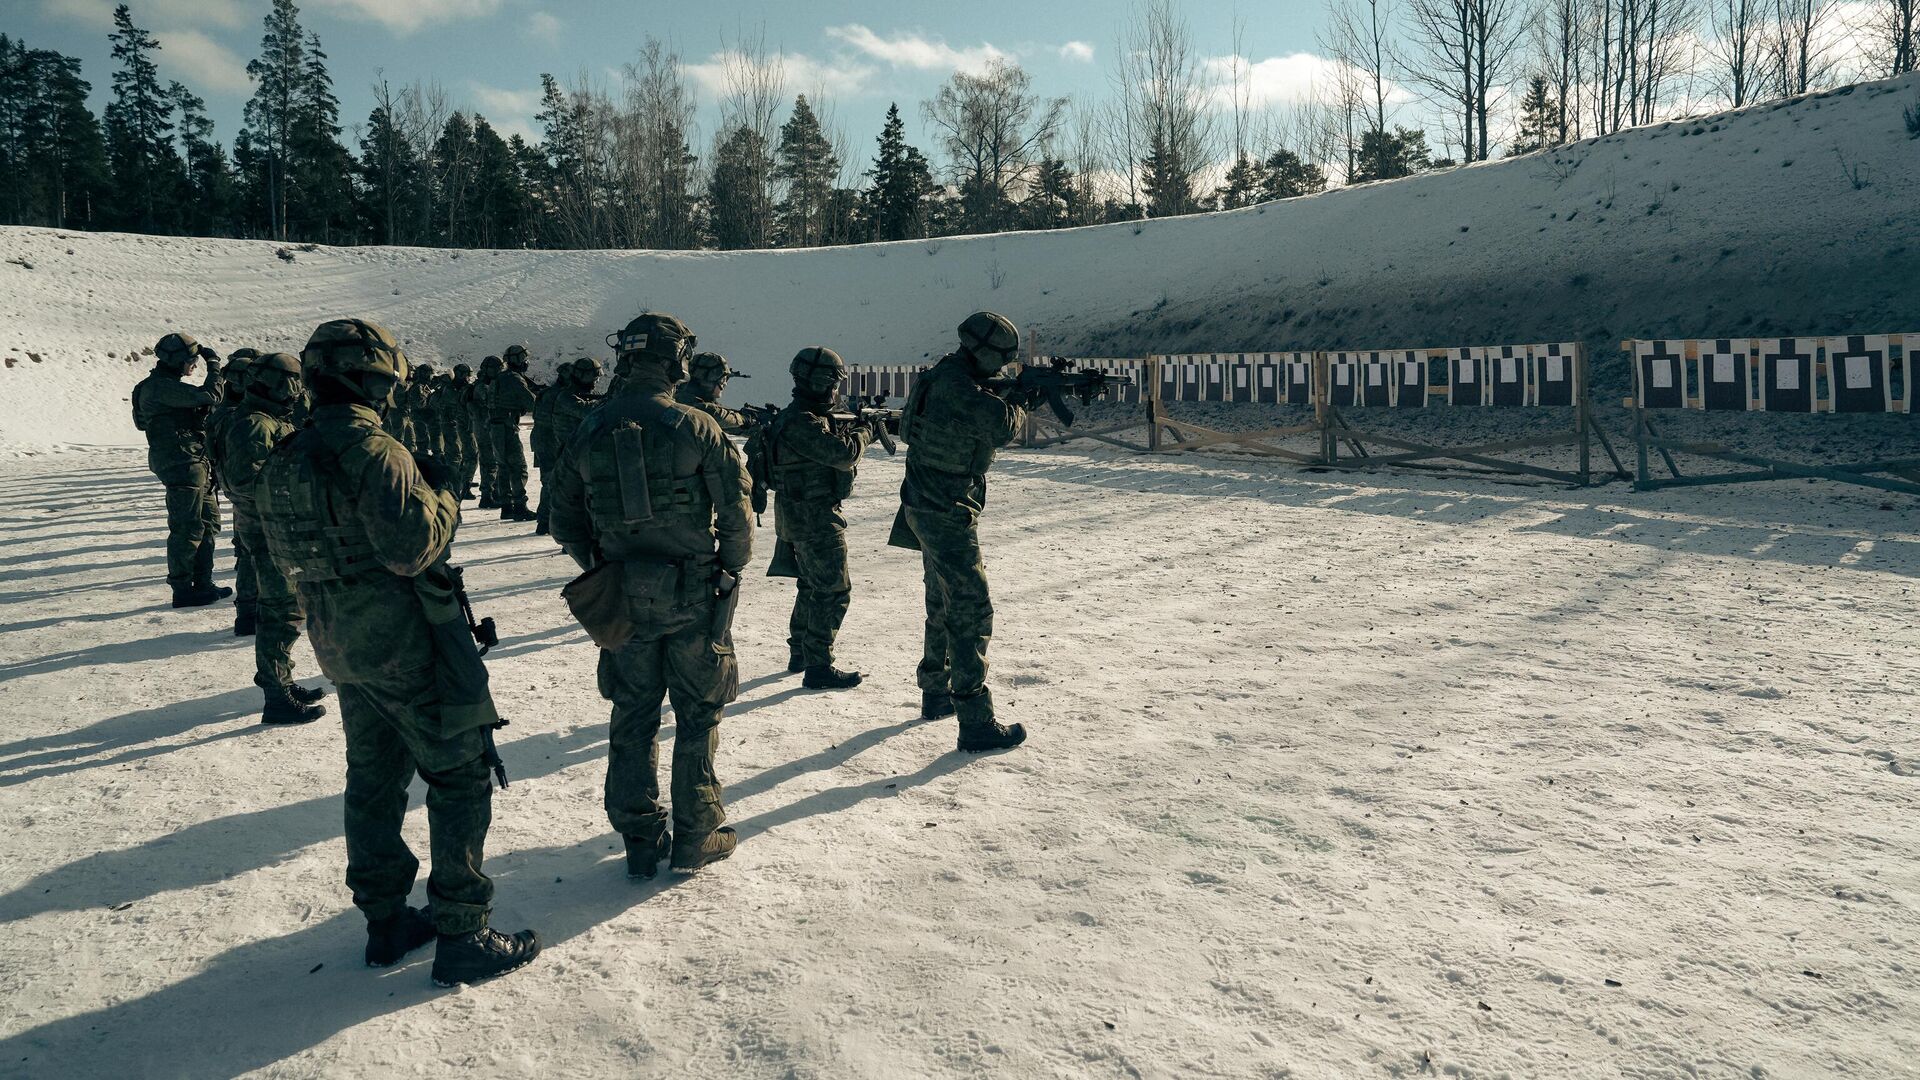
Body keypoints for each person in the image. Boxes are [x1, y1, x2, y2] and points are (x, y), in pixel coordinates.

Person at [256, 317, 540, 986]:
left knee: (374, 780)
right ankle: (463, 931)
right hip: (401, 642)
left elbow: (282, 551)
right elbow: (413, 548)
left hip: (337, 639)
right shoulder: (371, 449)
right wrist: (442, 495)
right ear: (372, 377)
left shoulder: (289, 451)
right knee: (460, 775)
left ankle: (385, 922)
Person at [548, 312, 751, 878]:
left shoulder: (588, 429)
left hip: (624, 599)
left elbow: (563, 520)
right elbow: (737, 518)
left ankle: (639, 838)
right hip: (693, 594)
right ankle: (695, 833)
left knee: (633, 714)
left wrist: (605, 569)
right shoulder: (695, 426)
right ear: (676, 360)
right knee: (698, 712)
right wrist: (729, 572)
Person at [888, 311, 1030, 752]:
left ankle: (936, 692)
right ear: (984, 352)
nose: (1002, 368)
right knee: (970, 609)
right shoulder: (957, 386)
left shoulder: (943, 375)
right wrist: (1023, 401)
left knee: (941, 600)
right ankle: (975, 720)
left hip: (925, 502)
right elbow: (1003, 427)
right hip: (944, 509)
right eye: (1001, 360)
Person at [216, 352, 328, 725]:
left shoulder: (265, 421)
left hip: (273, 527)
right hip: (270, 531)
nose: (296, 390)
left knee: (284, 611)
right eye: (292, 382)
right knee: (280, 613)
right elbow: (244, 482)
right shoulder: (254, 425)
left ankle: (281, 680)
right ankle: (277, 696)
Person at [763, 347, 869, 689]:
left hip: (801, 514)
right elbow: (841, 456)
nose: (836, 390)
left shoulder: (799, 416)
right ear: (823, 382)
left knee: (811, 586)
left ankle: (802, 653)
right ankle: (819, 665)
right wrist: (864, 433)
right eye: (834, 383)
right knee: (833, 590)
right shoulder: (800, 421)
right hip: (814, 518)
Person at [131, 332, 233, 608]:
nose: (194, 365)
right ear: (177, 361)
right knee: (187, 527)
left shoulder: (160, 387)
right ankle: (182, 588)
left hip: (194, 461)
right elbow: (211, 394)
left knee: (208, 523)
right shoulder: (158, 387)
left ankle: (202, 583)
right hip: (182, 463)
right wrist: (214, 364)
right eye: (192, 360)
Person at [208, 348, 260, 633]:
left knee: (246, 549)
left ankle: (247, 611)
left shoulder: (222, 412)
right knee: (255, 553)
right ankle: (252, 612)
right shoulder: (241, 416)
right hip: (250, 491)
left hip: (233, 488)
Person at [531, 358, 602, 537]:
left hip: (565, 450)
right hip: (562, 450)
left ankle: (546, 522)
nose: (594, 383)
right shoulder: (565, 397)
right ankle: (553, 525)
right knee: (563, 491)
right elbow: (587, 410)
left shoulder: (567, 394)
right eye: (592, 378)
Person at [489, 345, 537, 522]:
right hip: (508, 427)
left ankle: (506, 506)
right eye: (524, 359)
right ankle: (520, 507)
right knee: (518, 467)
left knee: (503, 467)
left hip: (495, 427)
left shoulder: (500, 378)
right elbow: (532, 403)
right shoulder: (515, 379)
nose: (526, 362)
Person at [675, 352, 758, 435]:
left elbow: (722, 425)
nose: (725, 384)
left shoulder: (679, 395)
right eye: (722, 380)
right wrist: (743, 419)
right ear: (708, 383)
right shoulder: (693, 405)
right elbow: (715, 414)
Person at [469, 356, 501, 508]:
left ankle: (492, 492)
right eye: (496, 368)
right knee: (490, 461)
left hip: (484, 426)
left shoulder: (483, 385)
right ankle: (487, 495)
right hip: (484, 427)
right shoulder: (483, 387)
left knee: (491, 460)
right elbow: (487, 406)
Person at [446, 363, 480, 500]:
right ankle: (464, 487)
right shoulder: (453, 389)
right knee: (471, 456)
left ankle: (460, 483)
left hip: (461, 425)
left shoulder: (457, 388)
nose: (468, 378)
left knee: (465, 456)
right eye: (466, 375)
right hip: (461, 426)